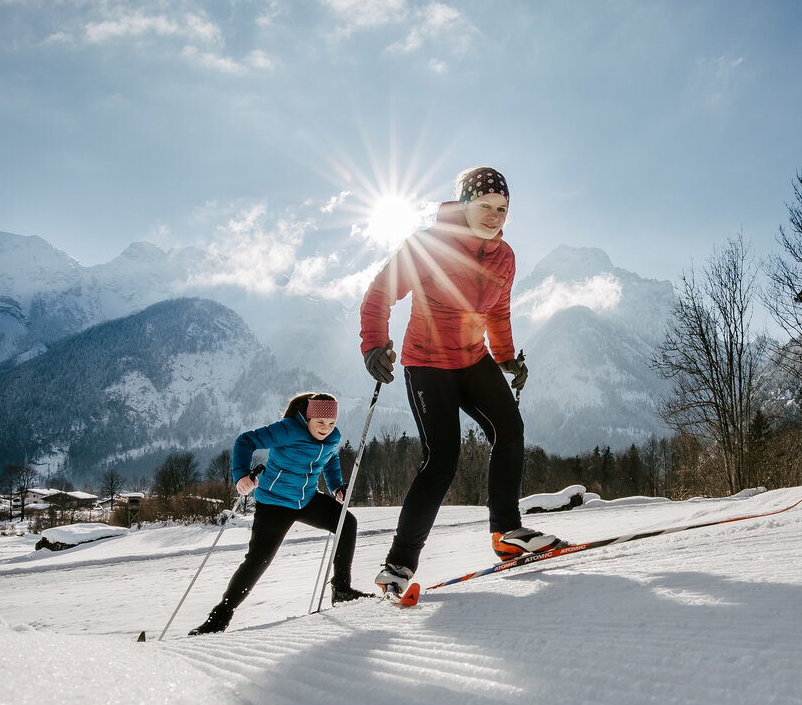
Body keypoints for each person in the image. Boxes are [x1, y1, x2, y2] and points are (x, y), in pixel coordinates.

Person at [359, 166, 567, 598]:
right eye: (485, 206)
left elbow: (498, 312)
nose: (494, 216)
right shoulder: (427, 246)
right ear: (464, 206)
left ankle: (506, 533)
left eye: (502, 208)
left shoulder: (505, 257)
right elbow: (380, 293)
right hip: (427, 364)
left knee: (510, 431)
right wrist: (374, 346)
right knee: (442, 459)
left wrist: (506, 356)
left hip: (474, 359)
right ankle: (398, 565)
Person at [189, 392, 372, 635]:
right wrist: (241, 476)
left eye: (331, 423)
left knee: (346, 523)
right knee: (258, 561)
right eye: (320, 422)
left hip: (306, 499)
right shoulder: (288, 429)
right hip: (274, 503)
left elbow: (329, 459)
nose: (326, 428)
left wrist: (337, 486)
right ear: (307, 418)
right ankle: (218, 619)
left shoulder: (332, 437)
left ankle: (341, 589)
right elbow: (245, 441)